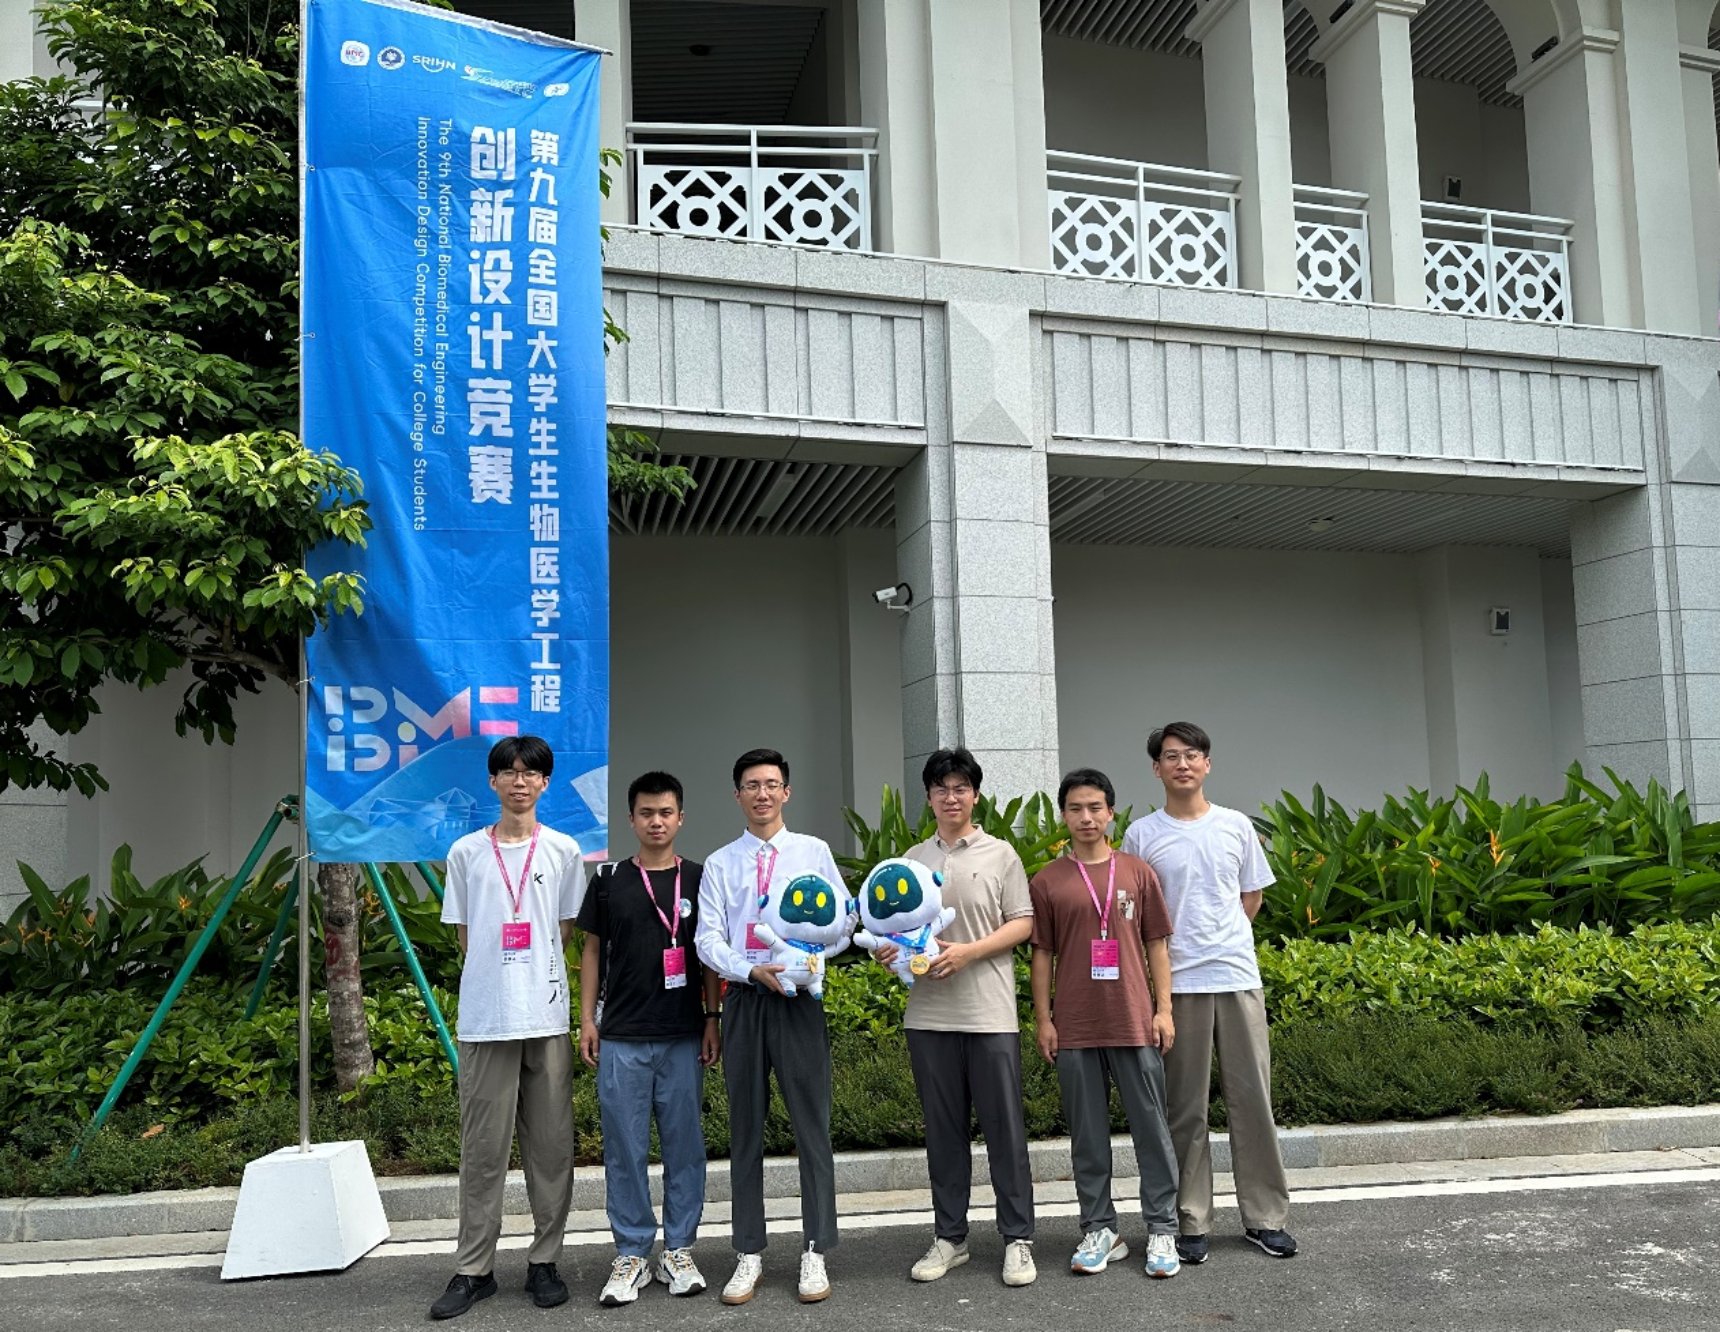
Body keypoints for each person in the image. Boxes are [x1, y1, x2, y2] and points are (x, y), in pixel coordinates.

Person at [1122, 722, 1297, 1264]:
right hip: (1178, 986)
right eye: (1171, 756)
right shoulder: (1141, 836)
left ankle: (1265, 1218)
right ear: (1156, 768)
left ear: (1207, 764)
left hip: (1238, 978)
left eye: (1192, 754)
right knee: (1185, 1109)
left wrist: (1220, 939)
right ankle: (1190, 1220)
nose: (1183, 764)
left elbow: (1250, 898)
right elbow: (1137, 915)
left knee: (1254, 1102)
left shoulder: (1236, 826)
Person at [431, 736, 587, 1320]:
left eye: (530, 773)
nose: (520, 781)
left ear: (545, 782)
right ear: (493, 781)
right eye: (509, 772)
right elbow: (466, 936)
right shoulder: (466, 852)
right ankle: (474, 1269)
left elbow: (564, 930)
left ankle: (545, 1261)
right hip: (486, 1019)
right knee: (483, 1151)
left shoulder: (565, 850)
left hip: (544, 1017)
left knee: (551, 1147)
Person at [694, 748, 846, 1305]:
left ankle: (815, 1248)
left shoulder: (813, 851)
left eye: (772, 784)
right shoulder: (720, 863)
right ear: (737, 795)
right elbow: (707, 938)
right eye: (752, 785)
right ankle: (748, 1251)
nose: (762, 793)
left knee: (812, 1125)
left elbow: (843, 920)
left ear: (787, 792)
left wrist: (810, 959)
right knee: (745, 1129)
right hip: (745, 1000)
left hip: (799, 1000)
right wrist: (749, 969)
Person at [883, 747, 1037, 1288]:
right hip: (928, 1016)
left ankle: (1017, 1238)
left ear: (975, 796)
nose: (951, 797)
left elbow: (1023, 922)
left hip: (989, 1013)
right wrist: (891, 951)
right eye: (941, 789)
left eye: (961, 788)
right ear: (928, 797)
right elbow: (893, 926)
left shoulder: (1001, 854)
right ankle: (950, 1237)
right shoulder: (911, 859)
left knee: (1004, 1131)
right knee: (944, 1134)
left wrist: (970, 952)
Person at [1029, 767, 1181, 1280]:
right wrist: (1044, 1019)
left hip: (1134, 1021)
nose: (1086, 817)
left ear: (1111, 813)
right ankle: (1100, 1229)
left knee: (1152, 1130)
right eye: (1075, 808)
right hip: (1075, 1026)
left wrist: (1164, 1009)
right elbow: (1042, 955)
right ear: (1063, 816)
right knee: (1087, 1136)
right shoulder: (1047, 880)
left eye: (1095, 807)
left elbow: (1157, 944)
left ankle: (1162, 1227)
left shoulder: (1137, 872)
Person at [577, 771, 723, 1307]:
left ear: (680, 818)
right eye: (646, 813)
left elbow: (709, 954)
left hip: (683, 1035)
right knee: (624, 1151)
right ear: (631, 819)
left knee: (685, 1148)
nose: (656, 822)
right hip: (621, 1036)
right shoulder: (609, 879)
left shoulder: (701, 878)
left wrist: (712, 1018)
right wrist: (587, 1019)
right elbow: (591, 951)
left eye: (665, 813)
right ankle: (633, 1253)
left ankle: (679, 1249)